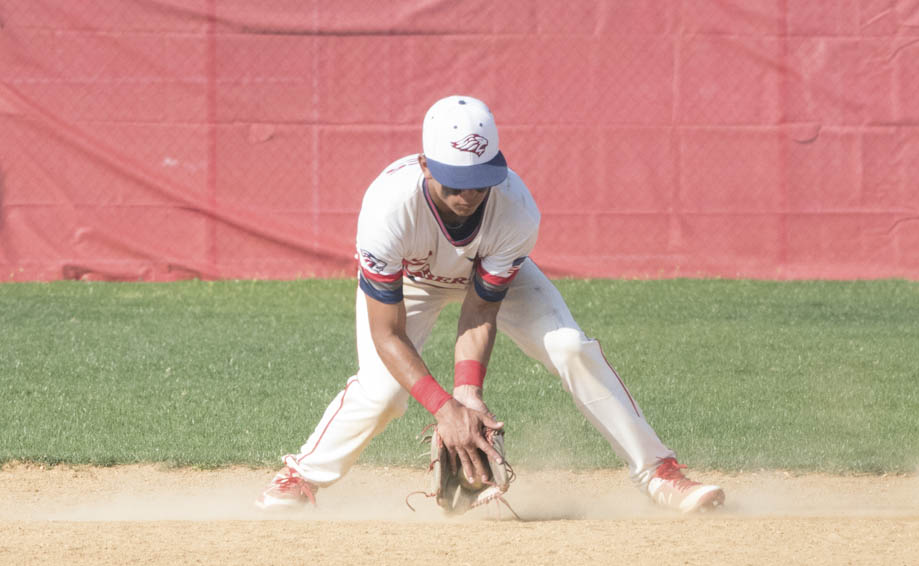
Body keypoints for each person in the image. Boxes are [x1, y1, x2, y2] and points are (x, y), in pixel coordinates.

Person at [255, 95, 724, 514]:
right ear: (424, 165)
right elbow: (387, 334)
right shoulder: (387, 209)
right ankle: (301, 476)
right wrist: (443, 409)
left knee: (569, 347)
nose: (467, 195)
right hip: (412, 283)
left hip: (487, 277)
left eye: (479, 182)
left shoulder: (515, 209)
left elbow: (479, 309)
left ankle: (659, 472)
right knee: (383, 394)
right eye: (454, 182)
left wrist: (467, 395)